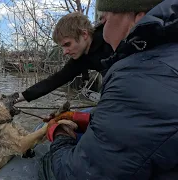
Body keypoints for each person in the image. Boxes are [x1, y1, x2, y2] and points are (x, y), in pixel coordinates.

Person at [46, 0, 178, 179]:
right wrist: (86, 118)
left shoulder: (136, 74)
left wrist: (60, 134)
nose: (103, 32)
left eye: (103, 20)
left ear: (137, 16)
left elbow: (80, 174)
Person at [13, 12, 113, 103]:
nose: (65, 52)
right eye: (62, 47)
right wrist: (17, 98)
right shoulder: (80, 58)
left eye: (67, 44)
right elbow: (54, 80)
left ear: (84, 34)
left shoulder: (112, 40)